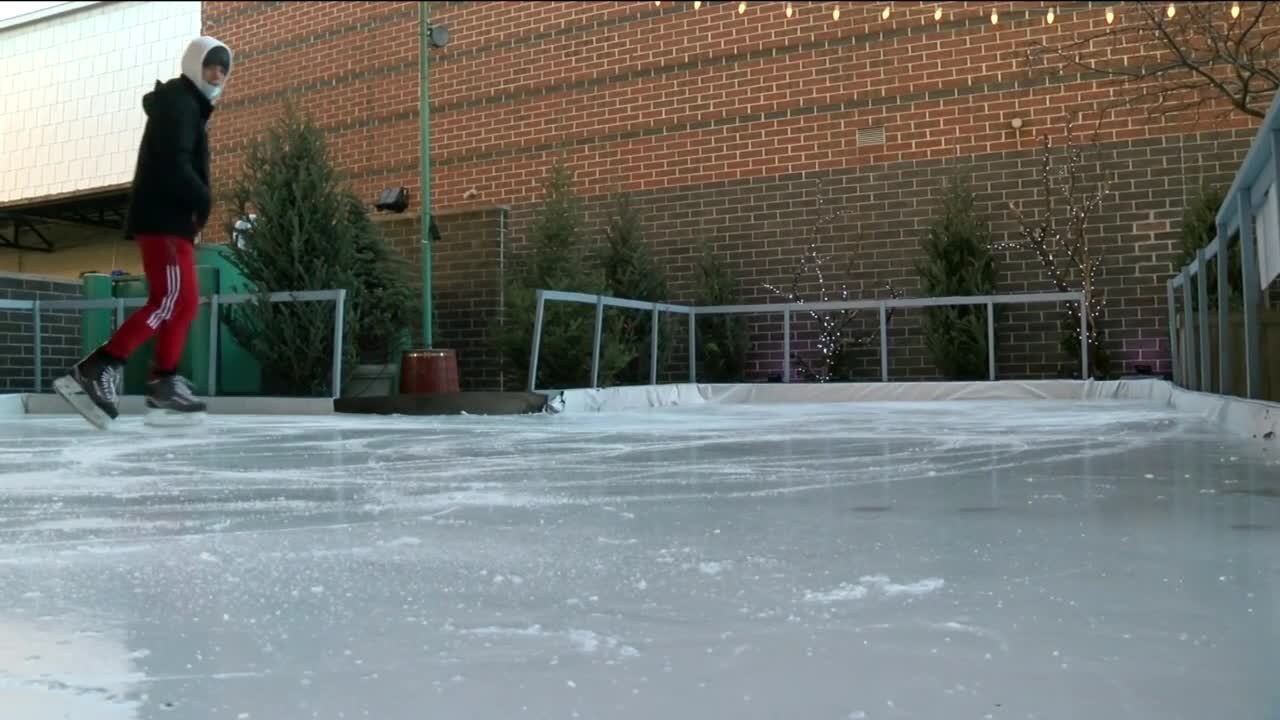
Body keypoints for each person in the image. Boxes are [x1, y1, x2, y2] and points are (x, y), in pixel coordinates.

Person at [54, 37, 232, 427]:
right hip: (164, 219)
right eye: (211, 65)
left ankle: (163, 380)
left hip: (173, 222)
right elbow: (173, 162)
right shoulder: (178, 102)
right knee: (169, 298)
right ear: (193, 64)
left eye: (223, 69)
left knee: (183, 302)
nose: (217, 74)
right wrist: (201, 198)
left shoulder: (189, 105)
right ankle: (99, 366)